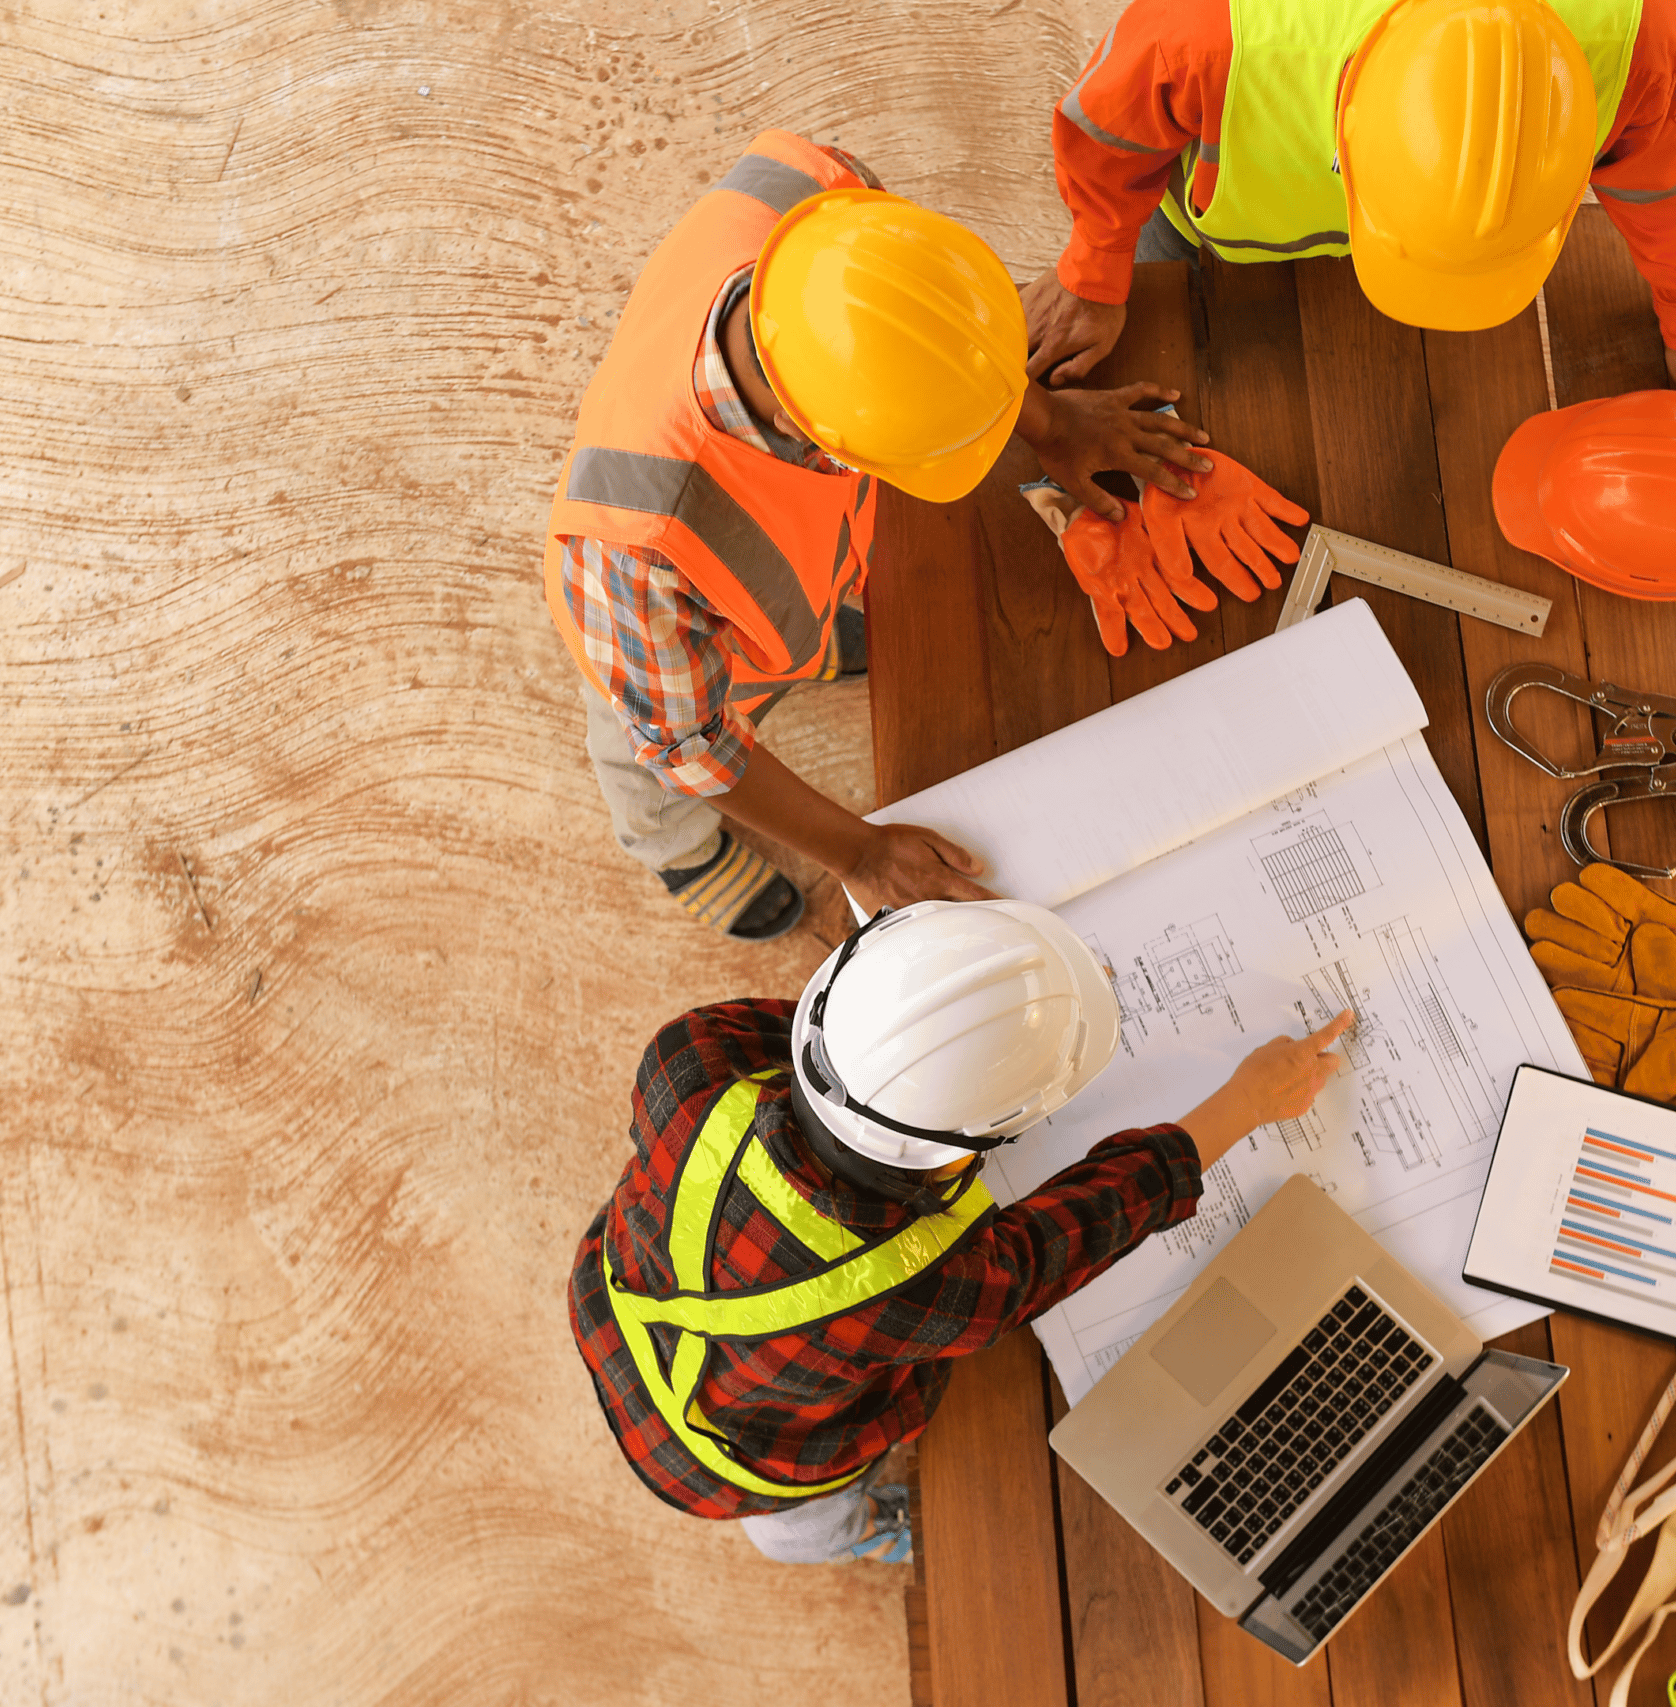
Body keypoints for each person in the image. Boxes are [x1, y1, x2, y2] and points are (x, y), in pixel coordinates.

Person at [550, 131, 1215, 943]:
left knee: (805, 618)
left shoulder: (818, 192)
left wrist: (1044, 417)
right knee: (649, 771)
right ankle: (674, 848)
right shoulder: (635, 555)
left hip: (790, 586)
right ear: (819, 439)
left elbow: (924, 334)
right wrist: (856, 851)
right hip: (672, 662)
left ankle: (814, 643)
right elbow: (691, 743)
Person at [568, 898, 1357, 1563]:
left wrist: (998, 1031)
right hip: (743, 1465)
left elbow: (850, 1051)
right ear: (969, 1148)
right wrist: (1246, 1102)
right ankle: (858, 1534)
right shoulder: (927, 1289)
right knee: (796, 1531)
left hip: (617, 1318)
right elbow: (1095, 1217)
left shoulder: (690, 1061)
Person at [1021, 0, 1676, 460]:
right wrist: (1096, 264)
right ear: (1346, 137)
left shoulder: (1630, 35)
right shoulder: (1207, 33)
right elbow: (1107, 131)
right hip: (1204, 232)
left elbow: (1675, 169)